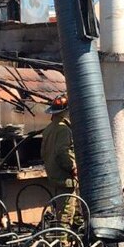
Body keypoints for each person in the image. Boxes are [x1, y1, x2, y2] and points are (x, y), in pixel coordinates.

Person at [41, 94, 79, 230]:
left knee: (73, 211)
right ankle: (62, 240)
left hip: (55, 175)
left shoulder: (49, 129)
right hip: (66, 178)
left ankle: (73, 237)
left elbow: (43, 153)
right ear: (65, 111)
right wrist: (73, 168)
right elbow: (62, 153)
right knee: (65, 213)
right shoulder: (63, 129)